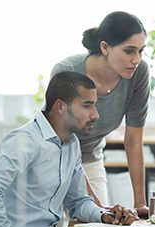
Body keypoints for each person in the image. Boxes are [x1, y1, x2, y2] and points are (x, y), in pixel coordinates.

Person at [0, 71, 136, 227]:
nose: (96, 115)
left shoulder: (71, 143)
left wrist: (104, 215)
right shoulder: (24, 141)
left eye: (94, 105)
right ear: (60, 107)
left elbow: (78, 202)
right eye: (87, 106)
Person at [50, 11, 149, 216]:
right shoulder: (67, 72)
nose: (137, 59)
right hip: (54, 159)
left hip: (91, 158)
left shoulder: (138, 73)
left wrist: (140, 203)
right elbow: (62, 142)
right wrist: (96, 207)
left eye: (141, 51)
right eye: (129, 51)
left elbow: (133, 140)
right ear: (105, 47)